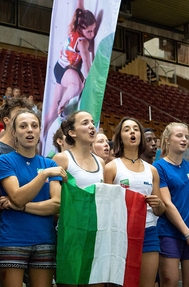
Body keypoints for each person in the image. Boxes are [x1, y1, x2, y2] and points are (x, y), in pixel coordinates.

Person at [0, 110, 64, 287]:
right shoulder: (4, 161)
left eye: (34, 126)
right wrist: (43, 175)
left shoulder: (50, 163)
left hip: (45, 239)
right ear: (14, 132)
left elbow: (56, 204)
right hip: (13, 239)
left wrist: (22, 207)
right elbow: (17, 197)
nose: (29, 130)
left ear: (40, 130)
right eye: (23, 126)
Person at [104, 117, 165, 287]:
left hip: (149, 231)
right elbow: (105, 207)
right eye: (127, 129)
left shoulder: (152, 170)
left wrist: (158, 204)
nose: (132, 132)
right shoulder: (112, 167)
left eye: (136, 129)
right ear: (120, 137)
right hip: (121, 232)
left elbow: (160, 210)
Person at [0, 97, 32, 287]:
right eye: (18, 115)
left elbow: (19, 195)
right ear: (7, 120)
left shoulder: (30, 151)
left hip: (25, 228)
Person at [153, 122, 189, 287]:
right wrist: (187, 235)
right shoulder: (158, 167)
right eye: (179, 136)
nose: (184, 139)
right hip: (170, 233)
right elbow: (167, 203)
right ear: (167, 139)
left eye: (186, 136)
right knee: (169, 282)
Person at [52, 111, 105, 287]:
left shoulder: (101, 162)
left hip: (96, 232)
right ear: (72, 133)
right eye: (85, 123)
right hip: (71, 233)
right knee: (71, 281)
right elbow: (56, 200)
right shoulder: (62, 159)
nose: (91, 126)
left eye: (92, 122)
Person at [44, 4, 97, 136]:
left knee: (51, 113)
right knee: (77, 86)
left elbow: (80, 5)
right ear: (81, 29)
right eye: (89, 32)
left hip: (63, 68)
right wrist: (90, 81)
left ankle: (41, 138)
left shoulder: (76, 24)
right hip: (64, 69)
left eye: (94, 30)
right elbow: (86, 62)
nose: (93, 34)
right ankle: (62, 106)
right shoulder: (82, 41)